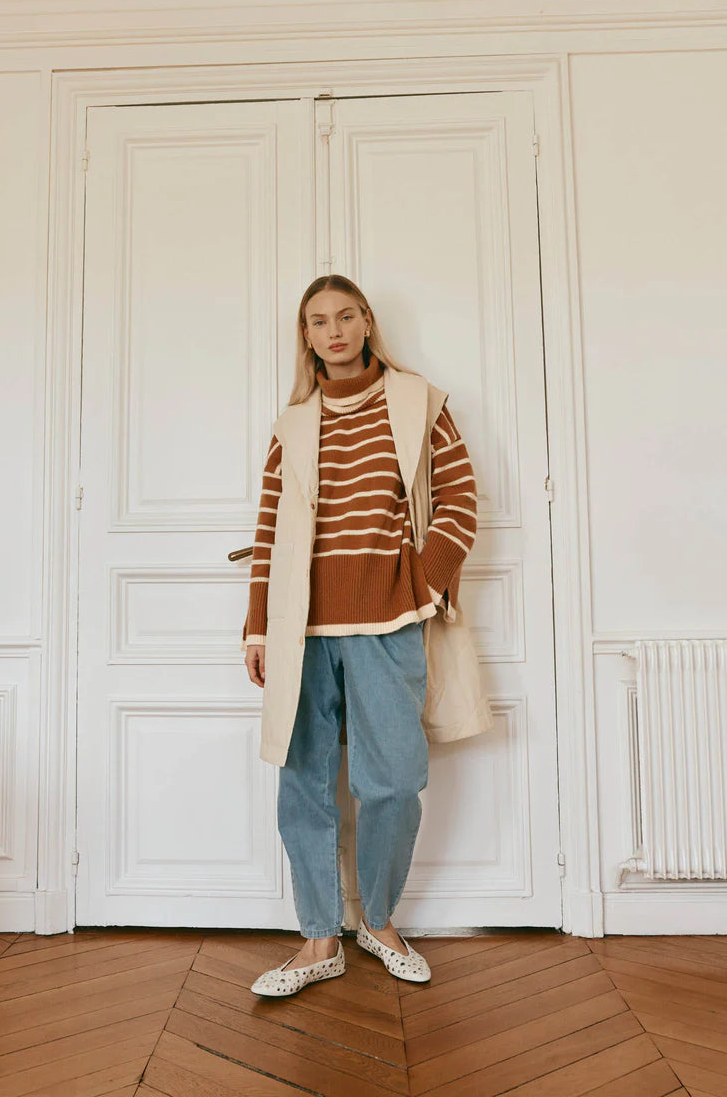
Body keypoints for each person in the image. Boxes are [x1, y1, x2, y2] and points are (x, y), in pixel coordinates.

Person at [242, 275, 477, 997]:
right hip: (302, 630)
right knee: (303, 786)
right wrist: (257, 627)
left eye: (346, 316)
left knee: (395, 781)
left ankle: (377, 921)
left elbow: (461, 500)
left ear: (367, 321)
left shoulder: (419, 402)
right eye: (319, 321)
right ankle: (319, 938)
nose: (335, 331)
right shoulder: (292, 426)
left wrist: (420, 585)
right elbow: (268, 531)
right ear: (306, 336)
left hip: (389, 621)